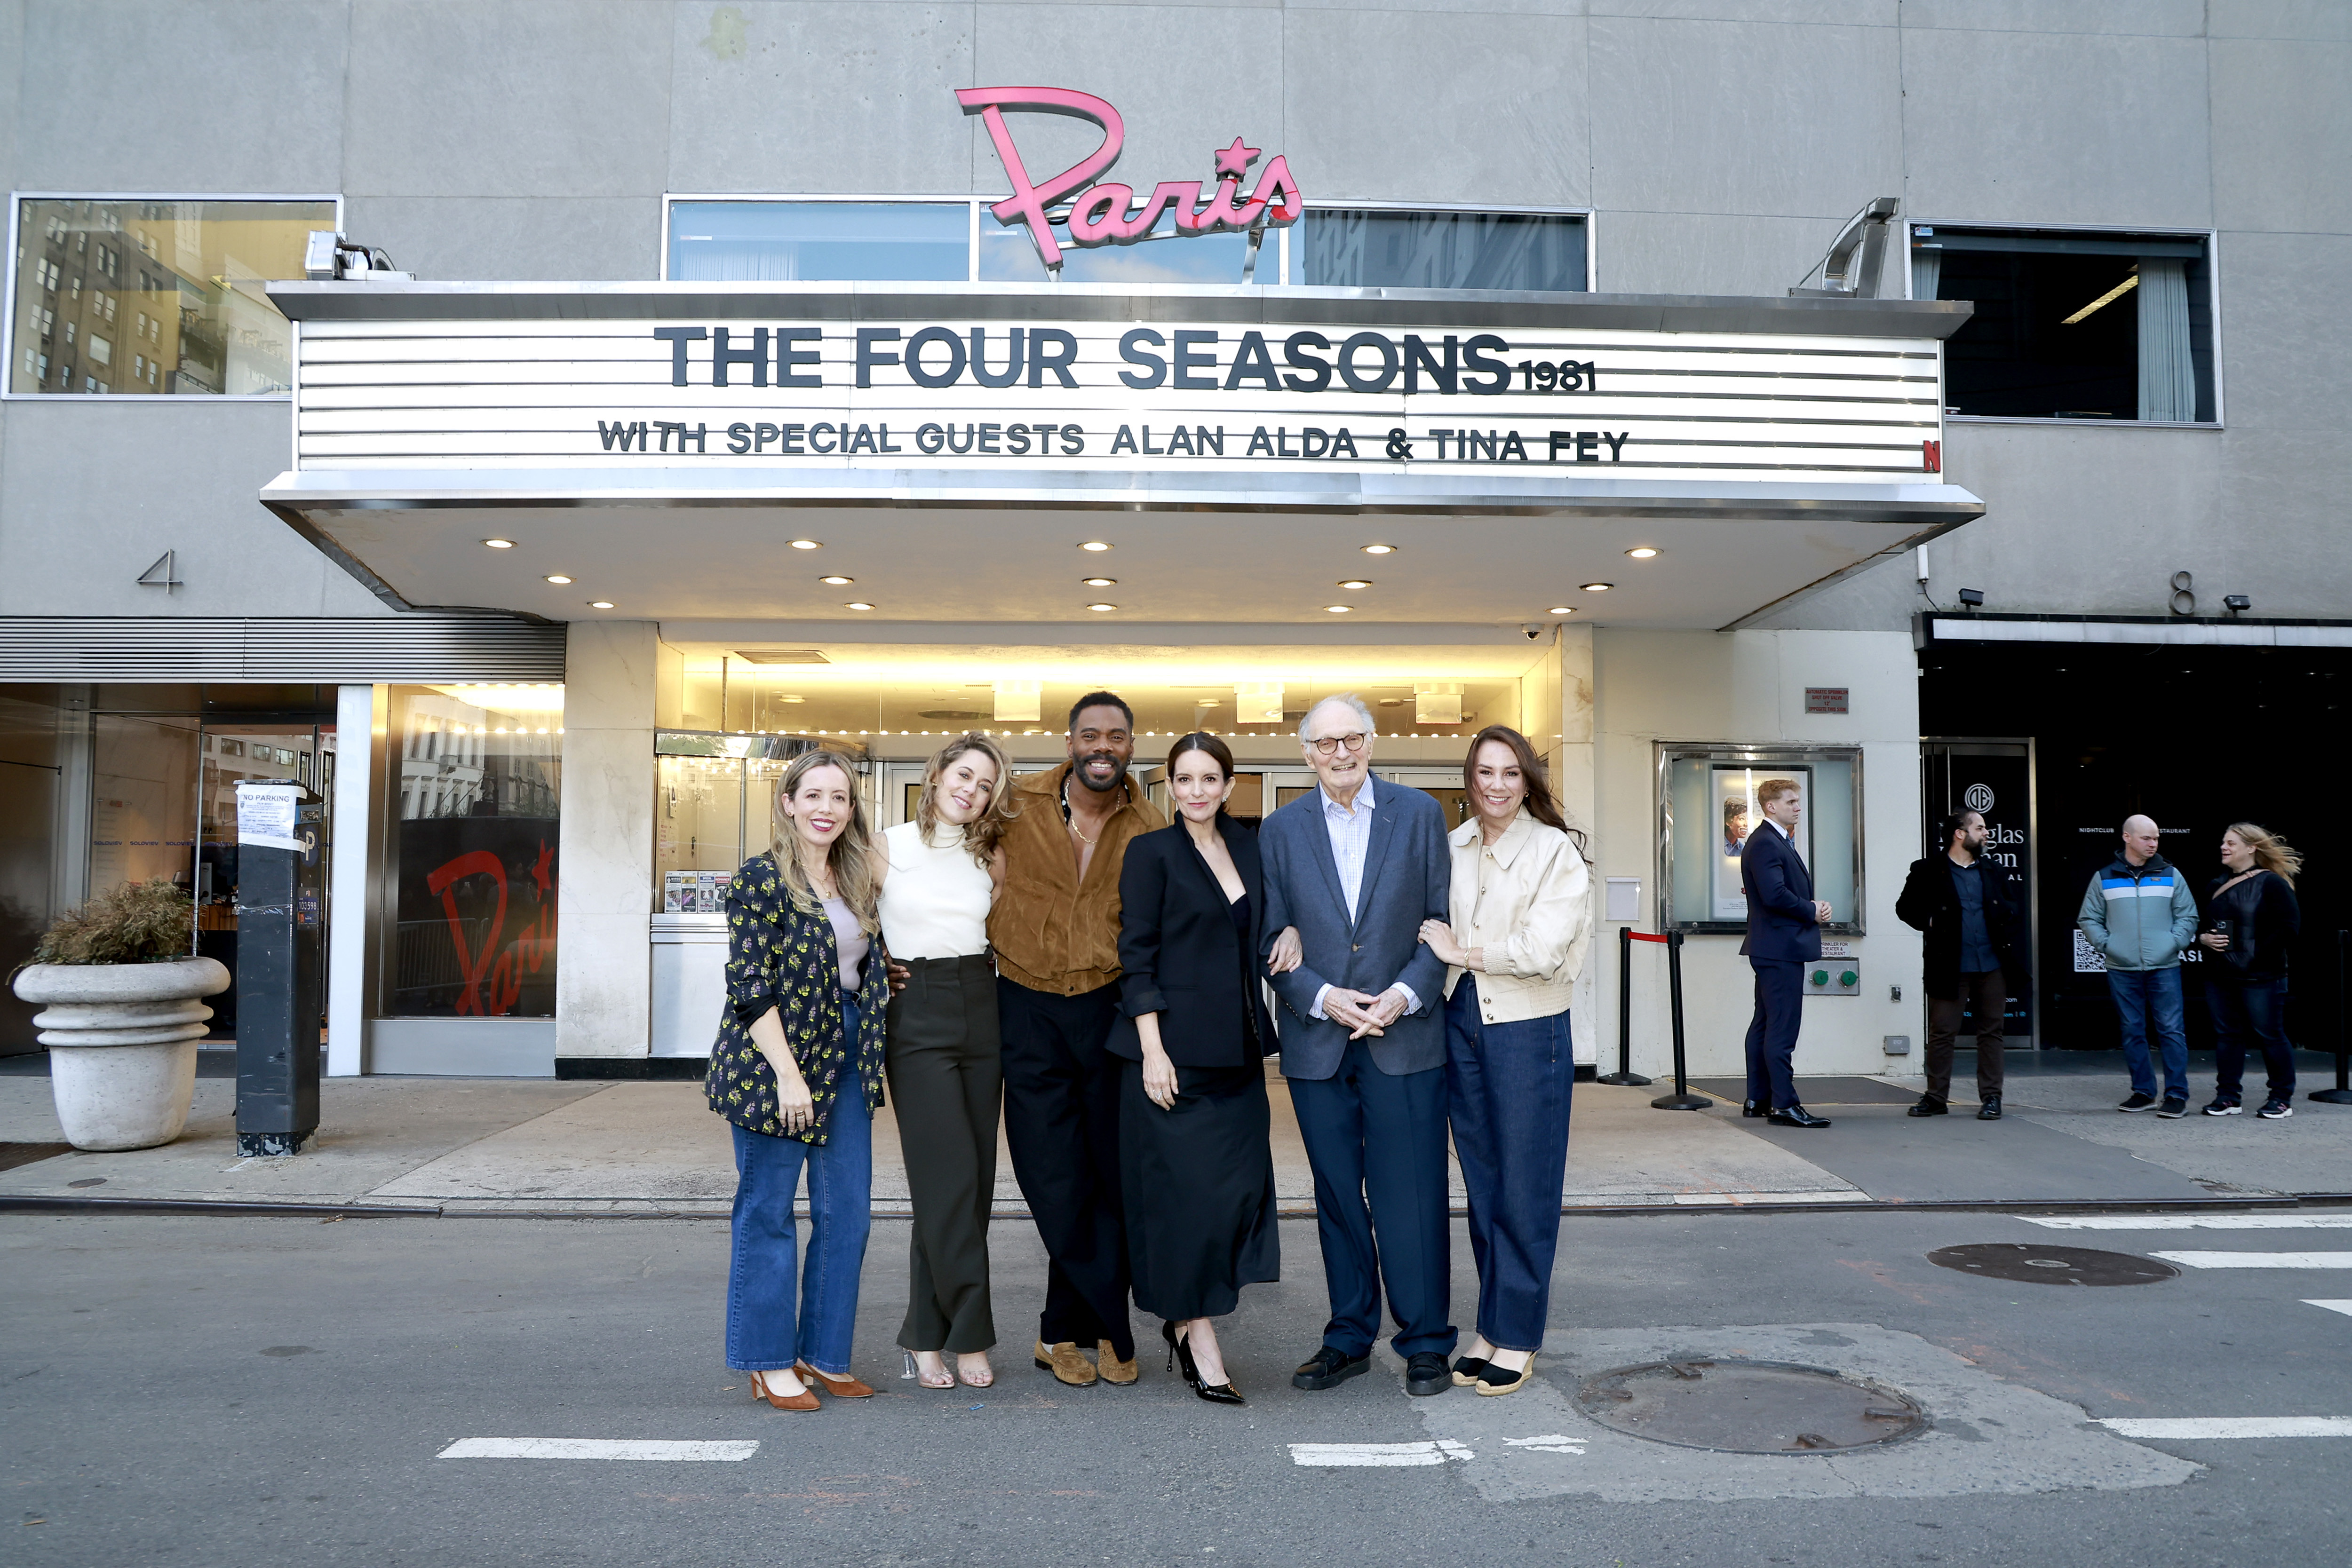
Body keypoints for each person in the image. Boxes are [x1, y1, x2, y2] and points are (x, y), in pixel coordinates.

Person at [1259, 693, 1456, 1398]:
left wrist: (1403, 995)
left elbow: (1441, 919)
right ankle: (1348, 1335)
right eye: (1325, 744)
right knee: (1339, 1195)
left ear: (1372, 742)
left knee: (1412, 1194)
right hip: (1319, 1039)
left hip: (1405, 1036)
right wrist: (1322, 995)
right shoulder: (1279, 831)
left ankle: (1427, 1339)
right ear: (1305, 753)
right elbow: (1271, 936)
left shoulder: (1421, 814)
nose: (1340, 754)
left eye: (1352, 740)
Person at [705, 749, 892, 1412]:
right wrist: (788, 1075)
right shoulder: (760, 879)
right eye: (813, 795)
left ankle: (824, 1353)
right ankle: (767, 1360)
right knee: (769, 1211)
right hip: (774, 1057)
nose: (826, 808)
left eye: (839, 797)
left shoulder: (857, 876)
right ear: (788, 801)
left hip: (844, 1055)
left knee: (848, 1215)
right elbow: (750, 987)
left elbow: (860, 962)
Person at [989, 691, 1165, 1388]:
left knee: (1107, 1177)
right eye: (1090, 734)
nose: (1103, 746)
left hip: (1108, 1007)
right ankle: (1113, 1325)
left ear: (1130, 746)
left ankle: (1059, 1332)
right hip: (1025, 1003)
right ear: (1069, 742)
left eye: (1116, 736)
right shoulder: (1014, 807)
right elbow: (949, 874)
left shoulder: (1150, 822)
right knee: (1051, 1173)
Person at [1416, 726, 1591, 1398]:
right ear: (1469, 779)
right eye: (1485, 772)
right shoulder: (1452, 845)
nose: (1496, 784)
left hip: (1529, 1027)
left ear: (1528, 781)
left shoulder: (1555, 852)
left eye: (1510, 773)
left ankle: (1518, 1333)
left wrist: (1465, 952)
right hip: (1463, 1021)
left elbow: (1543, 946)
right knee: (1484, 1184)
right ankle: (1490, 1325)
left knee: (1526, 1186)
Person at [1109, 733, 1283, 1406]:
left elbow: (1266, 926)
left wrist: (1288, 932)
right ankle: (1196, 1332)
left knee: (1236, 1191)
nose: (1198, 790)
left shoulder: (1249, 844)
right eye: (1185, 779)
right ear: (1170, 787)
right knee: (1184, 1202)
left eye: (1210, 778)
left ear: (1229, 785)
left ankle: (1191, 1317)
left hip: (1237, 1049)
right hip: (1171, 1055)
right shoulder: (1151, 852)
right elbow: (1137, 953)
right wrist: (1152, 1049)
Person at [876, 733, 1015, 1390]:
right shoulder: (884, 846)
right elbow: (843, 928)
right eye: (965, 775)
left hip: (981, 1007)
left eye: (986, 784)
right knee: (946, 1177)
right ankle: (970, 1335)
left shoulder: (990, 856)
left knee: (971, 1180)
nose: (972, 790)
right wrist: (881, 969)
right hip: (918, 1012)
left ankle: (924, 1333)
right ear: (936, 774)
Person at [1896, 809, 2025, 1121]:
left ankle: (1992, 1098)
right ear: (1960, 834)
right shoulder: (1928, 870)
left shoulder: (1992, 870)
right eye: (1980, 828)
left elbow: (2012, 905)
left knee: (1991, 1032)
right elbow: (1905, 908)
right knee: (1942, 1032)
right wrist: (1930, 922)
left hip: (1991, 964)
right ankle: (1936, 1098)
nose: (1986, 833)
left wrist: (2004, 915)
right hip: (1949, 964)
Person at [2077, 814, 2199, 1116]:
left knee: (2171, 1030)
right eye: (2146, 838)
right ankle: (2144, 1093)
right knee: (2133, 1031)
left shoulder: (2171, 874)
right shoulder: (2104, 877)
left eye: (2156, 838)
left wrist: (2173, 944)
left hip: (2165, 965)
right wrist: (2108, 946)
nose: (2153, 843)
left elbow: (2189, 916)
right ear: (2127, 837)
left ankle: (2176, 1096)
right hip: (2122, 967)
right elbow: (2088, 918)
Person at [1739, 777, 1832, 1127]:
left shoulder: (1774, 841)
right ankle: (1784, 1105)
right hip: (1779, 949)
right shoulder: (1766, 842)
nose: (1798, 807)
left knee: (1765, 1024)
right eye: (1791, 801)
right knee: (1782, 1028)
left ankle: (1759, 1098)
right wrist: (1812, 909)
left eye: (1798, 801)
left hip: (1772, 947)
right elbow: (1774, 895)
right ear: (1771, 807)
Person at [2197, 823, 2304, 1120]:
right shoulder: (2215, 884)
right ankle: (2228, 1097)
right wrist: (2204, 938)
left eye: (2231, 843)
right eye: (2223, 842)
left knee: (2270, 1035)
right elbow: (2204, 927)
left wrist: (2254, 954)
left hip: (2263, 977)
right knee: (2227, 1036)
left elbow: (2289, 929)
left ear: (2251, 848)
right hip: (2221, 976)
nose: (2224, 847)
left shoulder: (2272, 883)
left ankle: (2282, 1098)